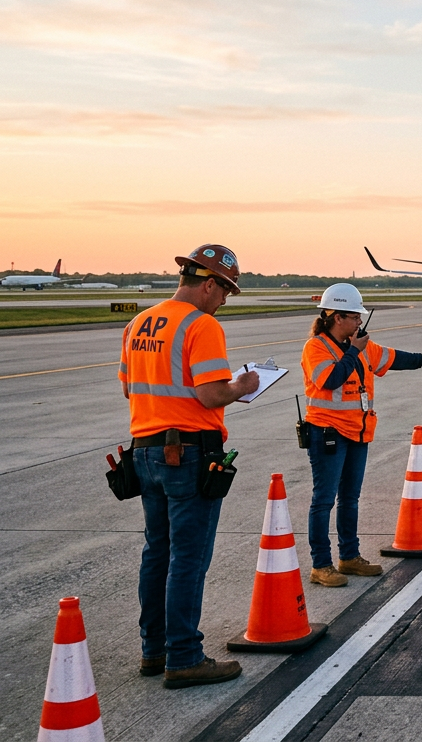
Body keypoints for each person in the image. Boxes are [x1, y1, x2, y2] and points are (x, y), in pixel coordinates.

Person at [120, 244, 258, 689]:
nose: (224, 301)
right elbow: (211, 395)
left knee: (156, 552)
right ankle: (184, 656)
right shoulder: (201, 325)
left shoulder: (139, 321)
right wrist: (245, 384)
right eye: (226, 291)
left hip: (145, 450)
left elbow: (129, 387)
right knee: (188, 558)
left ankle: (153, 650)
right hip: (189, 453)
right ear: (209, 283)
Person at [302, 283, 422, 587]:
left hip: (358, 433)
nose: (360, 322)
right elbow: (331, 380)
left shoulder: (363, 348)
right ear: (336, 317)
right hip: (327, 433)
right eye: (355, 317)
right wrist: (353, 353)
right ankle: (321, 565)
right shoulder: (316, 348)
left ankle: (349, 557)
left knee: (350, 498)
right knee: (323, 501)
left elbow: (394, 357)